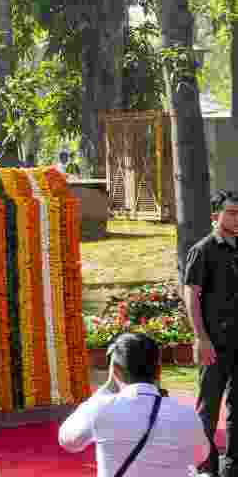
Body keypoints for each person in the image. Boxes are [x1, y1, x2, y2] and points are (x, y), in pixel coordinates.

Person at [58, 332, 204, 477]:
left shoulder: (100, 408)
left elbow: (68, 440)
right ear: (158, 371)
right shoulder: (186, 414)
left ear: (115, 370)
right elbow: (200, 457)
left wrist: (106, 388)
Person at [184, 190, 238, 477]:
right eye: (231, 212)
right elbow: (192, 295)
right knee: (208, 408)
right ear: (215, 216)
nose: (237, 218)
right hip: (214, 343)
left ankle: (233, 467)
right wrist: (201, 338)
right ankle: (206, 468)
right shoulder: (202, 250)